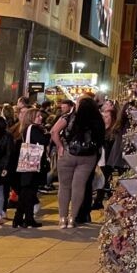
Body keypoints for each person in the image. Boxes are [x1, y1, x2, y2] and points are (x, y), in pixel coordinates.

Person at [52, 96, 105, 228]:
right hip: (88, 157)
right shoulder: (98, 120)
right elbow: (101, 140)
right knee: (79, 187)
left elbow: (54, 131)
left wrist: (60, 146)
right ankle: (72, 218)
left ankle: (62, 218)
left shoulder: (69, 117)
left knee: (64, 186)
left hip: (68, 153)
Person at [9, 107, 47, 228]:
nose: (41, 118)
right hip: (32, 164)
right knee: (28, 192)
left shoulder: (26, 128)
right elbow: (43, 141)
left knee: (27, 192)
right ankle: (22, 218)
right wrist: (50, 134)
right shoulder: (34, 128)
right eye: (38, 116)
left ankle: (23, 218)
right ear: (32, 118)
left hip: (26, 164)